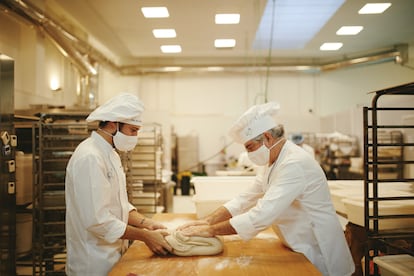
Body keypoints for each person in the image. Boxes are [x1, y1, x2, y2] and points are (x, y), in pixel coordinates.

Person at [179, 102, 354, 276]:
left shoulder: (294, 164)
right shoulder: (272, 162)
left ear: (267, 138)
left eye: (249, 147)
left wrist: (211, 231)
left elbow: (262, 215)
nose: (248, 154)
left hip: (319, 251)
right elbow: (245, 198)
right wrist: (208, 221)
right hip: (297, 245)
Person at [65, 93, 172, 276]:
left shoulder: (111, 154)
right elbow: (97, 221)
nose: (135, 137)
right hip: (93, 263)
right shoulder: (90, 157)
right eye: (132, 130)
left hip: (113, 255)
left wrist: (147, 224)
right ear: (113, 124)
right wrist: (145, 236)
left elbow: (118, 204)